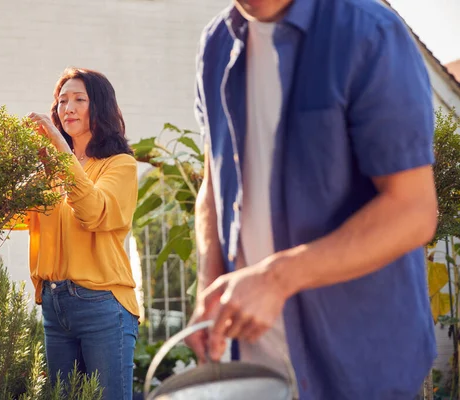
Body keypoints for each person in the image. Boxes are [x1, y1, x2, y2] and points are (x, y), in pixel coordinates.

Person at [185, 0, 438, 398]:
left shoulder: (369, 32)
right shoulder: (215, 44)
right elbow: (214, 184)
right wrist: (210, 288)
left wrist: (276, 278)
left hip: (358, 370)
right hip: (256, 370)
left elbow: (413, 210)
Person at [25, 67, 139, 400]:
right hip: (54, 304)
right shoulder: (52, 170)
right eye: (62, 101)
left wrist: (61, 150)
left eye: (79, 99)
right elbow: (9, 212)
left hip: (102, 303)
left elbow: (92, 213)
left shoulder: (120, 165)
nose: (68, 108)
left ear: (99, 106)